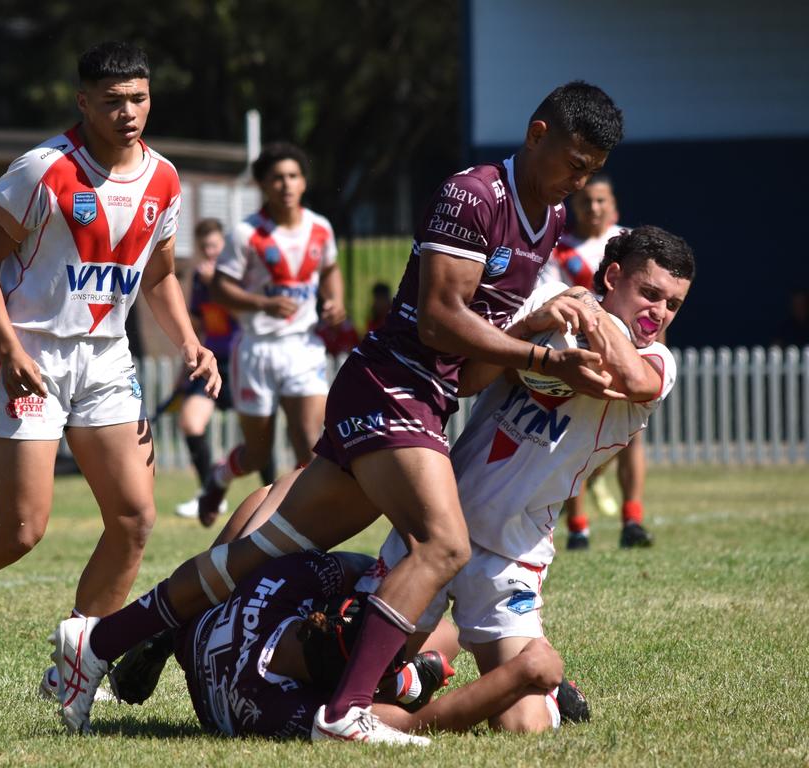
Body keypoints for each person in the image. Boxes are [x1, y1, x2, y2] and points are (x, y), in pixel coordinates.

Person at [45, 81, 624, 742]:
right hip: (390, 384)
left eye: (593, 173)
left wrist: (535, 336)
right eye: (575, 163)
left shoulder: (546, 219)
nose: (579, 183)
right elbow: (438, 321)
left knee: (259, 554)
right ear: (538, 134)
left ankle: (94, 643)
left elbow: (466, 377)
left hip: (418, 397)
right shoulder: (476, 194)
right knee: (443, 544)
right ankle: (347, 711)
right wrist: (542, 357)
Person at [0, 41, 220, 691]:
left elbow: (161, 275)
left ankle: (75, 665)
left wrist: (190, 343)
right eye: (114, 101)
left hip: (108, 358)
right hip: (34, 352)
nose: (129, 113)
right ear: (83, 101)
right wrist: (7, 350)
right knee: (21, 530)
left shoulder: (165, 178)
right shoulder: (40, 170)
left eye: (140, 99)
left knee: (133, 519)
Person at [367, 225, 694, 731]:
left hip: (510, 555)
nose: (659, 312)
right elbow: (470, 379)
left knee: (524, 729)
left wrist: (588, 310)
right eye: (649, 293)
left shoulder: (658, 361)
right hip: (432, 527)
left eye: (672, 304)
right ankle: (425, 669)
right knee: (362, 682)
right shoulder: (546, 307)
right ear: (613, 275)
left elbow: (632, 380)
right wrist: (529, 332)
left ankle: (542, 691)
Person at [169, 550, 581, 743]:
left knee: (444, 636)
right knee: (521, 725)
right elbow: (416, 726)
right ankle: (404, 681)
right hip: (213, 660)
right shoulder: (282, 708)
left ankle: (405, 678)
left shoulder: (282, 583)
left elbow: (364, 566)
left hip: (203, 636)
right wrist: (522, 670)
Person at [196, 142, 346, 527]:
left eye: (293, 176)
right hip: (257, 348)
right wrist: (262, 304)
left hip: (304, 346)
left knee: (311, 443)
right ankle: (219, 477)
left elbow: (330, 271)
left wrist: (335, 303)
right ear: (263, 185)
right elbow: (220, 288)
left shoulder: (320, 228)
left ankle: (302, 527)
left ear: (304, 182)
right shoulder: (246, 233)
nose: (286, 185)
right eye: (277, 178)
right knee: (257, 455)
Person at [541, 176, 653, 549]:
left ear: (613, 204)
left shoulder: (633, 244)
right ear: (575, 206)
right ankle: (578, 527)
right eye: (587, 201)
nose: (594, 208)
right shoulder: (560, 251)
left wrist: (653, 351)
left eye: (601, 200)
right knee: (577, 438)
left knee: (632, 437)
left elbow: (653, 303)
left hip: (631, 353)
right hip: (586, 354)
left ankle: (633, 521)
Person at [174, 218, 274, 519]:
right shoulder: (200, 280)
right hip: (211, 361)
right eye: (204, 248)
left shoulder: (237, 276)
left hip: (241, 361)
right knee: (191, 423)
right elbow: (200, 326)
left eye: (214, 247)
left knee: (257, 435)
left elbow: (249, 316)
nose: (209, 254)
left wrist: (214, 286)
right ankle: (209, 495)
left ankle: (273, 497)